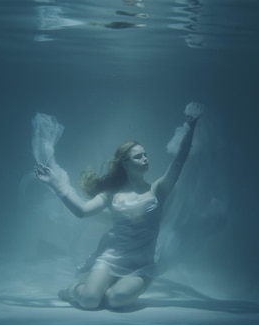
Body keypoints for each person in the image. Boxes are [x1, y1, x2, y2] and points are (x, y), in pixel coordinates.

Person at [34, 102, 203, 310]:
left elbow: (178, 162)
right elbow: (82, 211)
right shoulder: (111, 194)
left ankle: (109, 287)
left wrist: (191, 125)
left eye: (145, 154)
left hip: (141, 266)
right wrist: (57, 185)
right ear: (125, 163)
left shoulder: (157, 189)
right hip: (110, 260)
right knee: (89, 301)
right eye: (138, 156)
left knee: (116, 300)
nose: (145, 158)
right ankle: (72, 290)